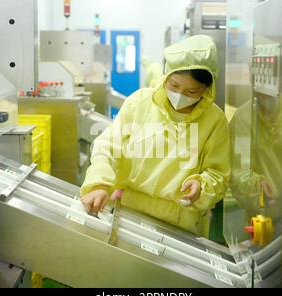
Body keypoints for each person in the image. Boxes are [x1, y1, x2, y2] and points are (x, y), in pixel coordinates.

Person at [80, 35, 231, 237]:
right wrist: (99, 184)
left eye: (192, 91)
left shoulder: (214, 121)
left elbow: (218, 174)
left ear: (207, 89)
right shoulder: (140, 103)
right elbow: (107, 147)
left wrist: (201, 186)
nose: (180, 95)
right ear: (166, 75)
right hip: (128, 212)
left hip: (181, 222)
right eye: (174, 85)